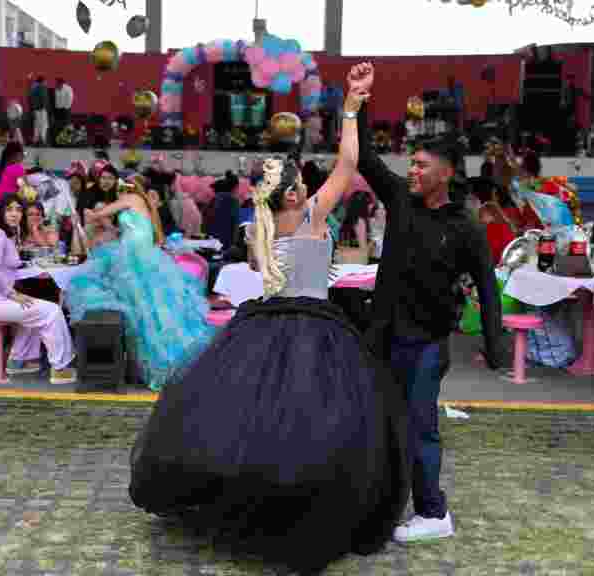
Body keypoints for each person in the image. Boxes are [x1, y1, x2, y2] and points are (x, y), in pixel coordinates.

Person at [130, 72, 410, 573]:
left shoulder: (259, 227)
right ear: (290, 196)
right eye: (302, 183)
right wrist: (350, 108)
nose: (311, 186)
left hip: (266, 324)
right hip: (314, 327)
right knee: (313, 422)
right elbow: (349, 164)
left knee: (256, 423)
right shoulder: (309, 216)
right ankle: (301, 510)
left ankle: (260, 500)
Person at [354, 61, 505, 543]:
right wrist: (356, 103)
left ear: (446, 172)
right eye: (412, 164)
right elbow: (365, 161)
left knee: (421, 427)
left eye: (421, 165)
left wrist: (494, 342)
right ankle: (382, 501)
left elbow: (487, 284)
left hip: (426, 343)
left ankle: (434, 513)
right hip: (383, 335)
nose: (412, 171)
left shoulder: (465, 226)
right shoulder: (399, 199)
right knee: (381, 423)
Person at [66, 177, 212, 391]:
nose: (119, 194)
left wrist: (91, 214)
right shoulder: (138, 204)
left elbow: (102, 213)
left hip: (136, 257)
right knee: (149, 307)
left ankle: (165, 363)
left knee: (148, 307)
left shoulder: (131, 199)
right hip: (134, 255)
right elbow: (114, 226)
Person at [0, 196, 77, 384]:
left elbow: (9, 263)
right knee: (52, 311)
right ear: (0, 212)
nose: (15, 214)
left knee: (36, 308)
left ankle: (18, 360)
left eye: (18, 210)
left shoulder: (7, 233)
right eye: (9, 209)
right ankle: (60, 368)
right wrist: (13, 294)